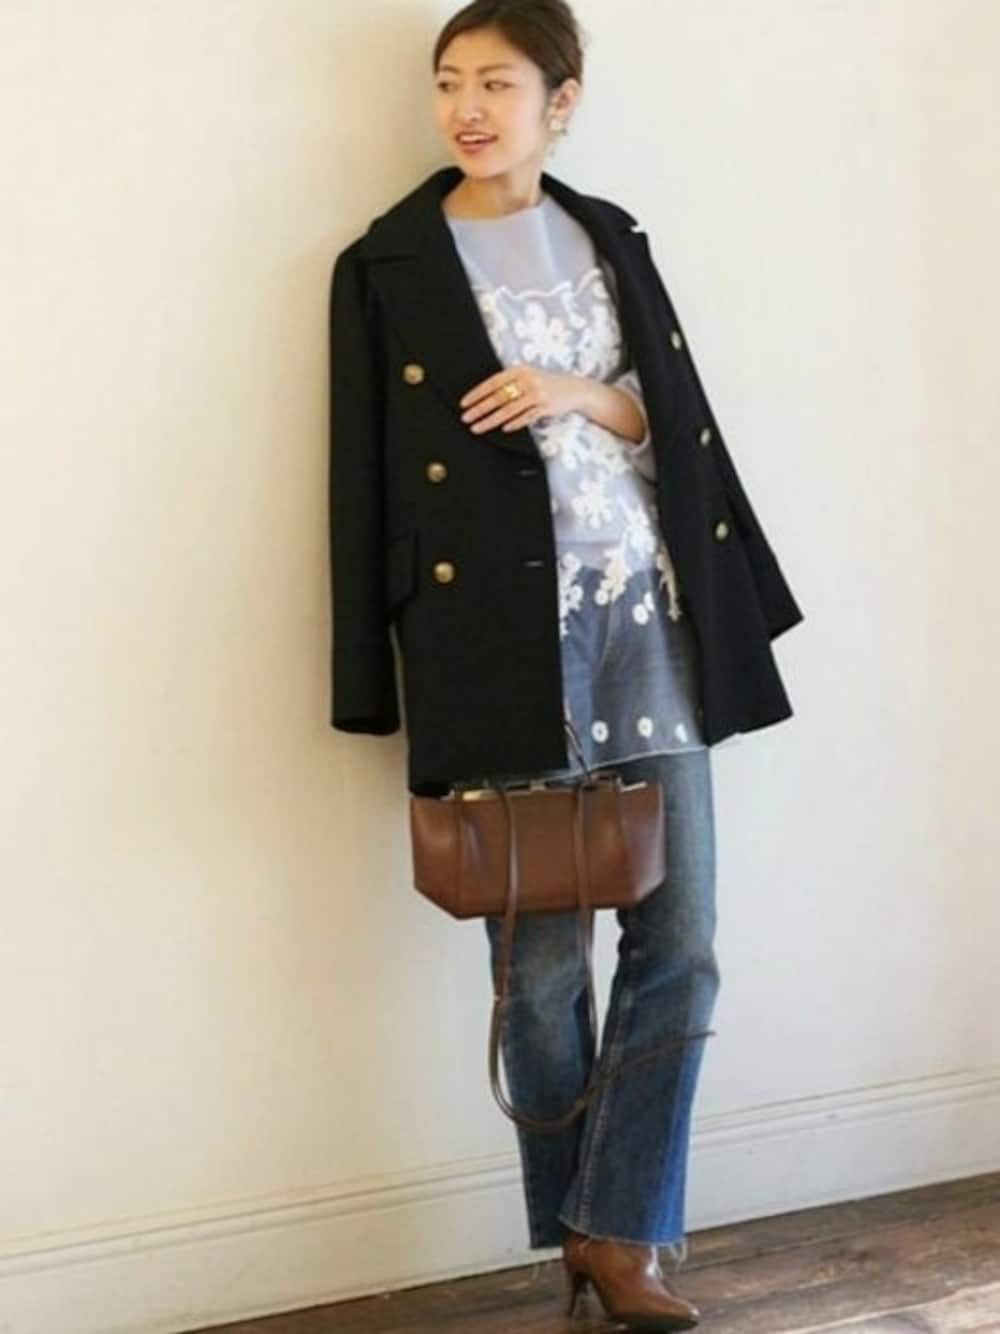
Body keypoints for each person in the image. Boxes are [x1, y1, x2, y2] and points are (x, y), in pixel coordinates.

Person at [329, 2, 804, 1328]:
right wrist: (369, 675)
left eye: (498, 82)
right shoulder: (385, 265)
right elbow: (360, 483)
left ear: (563, 101)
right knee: (540, 967)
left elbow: (674, 421)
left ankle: (613, 1231)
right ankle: (598, 1232)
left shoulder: (612, 236)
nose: (468, 108)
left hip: (645, 621)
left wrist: (573, 391)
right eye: (449, 83)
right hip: (496, 646)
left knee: (681, 939)